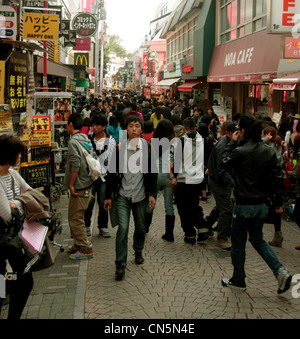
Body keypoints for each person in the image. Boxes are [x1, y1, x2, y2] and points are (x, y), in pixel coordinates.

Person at [221, 114, 292, 294]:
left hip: (243, 204)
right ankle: (280, 271)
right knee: (257, 239)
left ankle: (238, 279)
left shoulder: (240, 151)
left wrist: (232, 142)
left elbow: (223, 163)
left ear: (243, 131)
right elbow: (277, 178)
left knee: (238, 242)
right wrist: (277, 203)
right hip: (261, 205)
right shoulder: (268, 150)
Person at [104, 115, 158, 280]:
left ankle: (138, 250)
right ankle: (120, 264)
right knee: (123, 228)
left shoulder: (148, 148)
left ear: (141, 129)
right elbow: (112, 173)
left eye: (137, 126)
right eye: (131, 126)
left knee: (141, 228)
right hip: (122, 196)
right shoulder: (120, 148)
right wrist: (108, 196)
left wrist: (153, 194)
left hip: (141, 196)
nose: (134, 129)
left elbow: (153, 173)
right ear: (125, 129)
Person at [0, 135, 34, 319]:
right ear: (9, 154)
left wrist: (16, 202)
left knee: (25, 280)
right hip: (2, 242)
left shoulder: (13, 175)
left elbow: (31, 194)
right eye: (18, 154)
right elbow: (6, 213)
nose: (21, 157)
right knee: (2, 286)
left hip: (13, 240)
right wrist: (20, 203)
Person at [170, 117, 208, 244]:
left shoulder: (180, 142)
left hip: (183, 179)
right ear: (195, 128)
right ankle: (202, 227)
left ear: (184, 128)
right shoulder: (202, 140)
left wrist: (172, 176)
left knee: (183, 207)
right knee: (194, 204)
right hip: (197, 179)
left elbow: (174, 161)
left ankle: (189, 233)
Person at [64, 114, 94, 260]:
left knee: (76, 218)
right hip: (87, 182)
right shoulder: (86, 139)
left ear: (71, 124)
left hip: (79, 185)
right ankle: (77, 243)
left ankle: (85, 248)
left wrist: (71, 184)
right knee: (75, 215)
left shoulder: (73, 142)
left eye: (67, 124)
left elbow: (75, 164)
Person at [206, 122, 237, 250]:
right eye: (236, 133)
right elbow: (221, 169)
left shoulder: (229, 141)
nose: (238, 135)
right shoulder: (224, 144)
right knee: (227, 207)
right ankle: (222, 238)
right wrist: (232, 182)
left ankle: (206, 225)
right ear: (229, 133)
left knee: (221, 206)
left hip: (219, 179)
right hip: (217, 180)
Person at [84, 114, 116, 238]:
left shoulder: (111, 141)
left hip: (104, 177)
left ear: (104, 127)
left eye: (97, 125)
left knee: (103, 202)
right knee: (89, 202)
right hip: (90, 177)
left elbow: (113, 161)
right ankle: (86, 225)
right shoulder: (88, 139)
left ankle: (103, 226)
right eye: (93, 125)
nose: (94, 127)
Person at [145, 120, 176, 241]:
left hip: (155, 175)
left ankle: (145, 227)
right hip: (168, 176)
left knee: (151, 202)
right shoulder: (174, 143)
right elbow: (174, 162)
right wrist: (173, 176)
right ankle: (169, 234)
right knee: (169, 205)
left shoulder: (154, 143)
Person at [261, 126, 284, 247]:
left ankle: (257, 232)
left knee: (267, 205)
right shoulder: (278, 146)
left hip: (269, 179)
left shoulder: (269, 147)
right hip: (277, 178)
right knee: (276, 207)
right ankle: (278, 234)